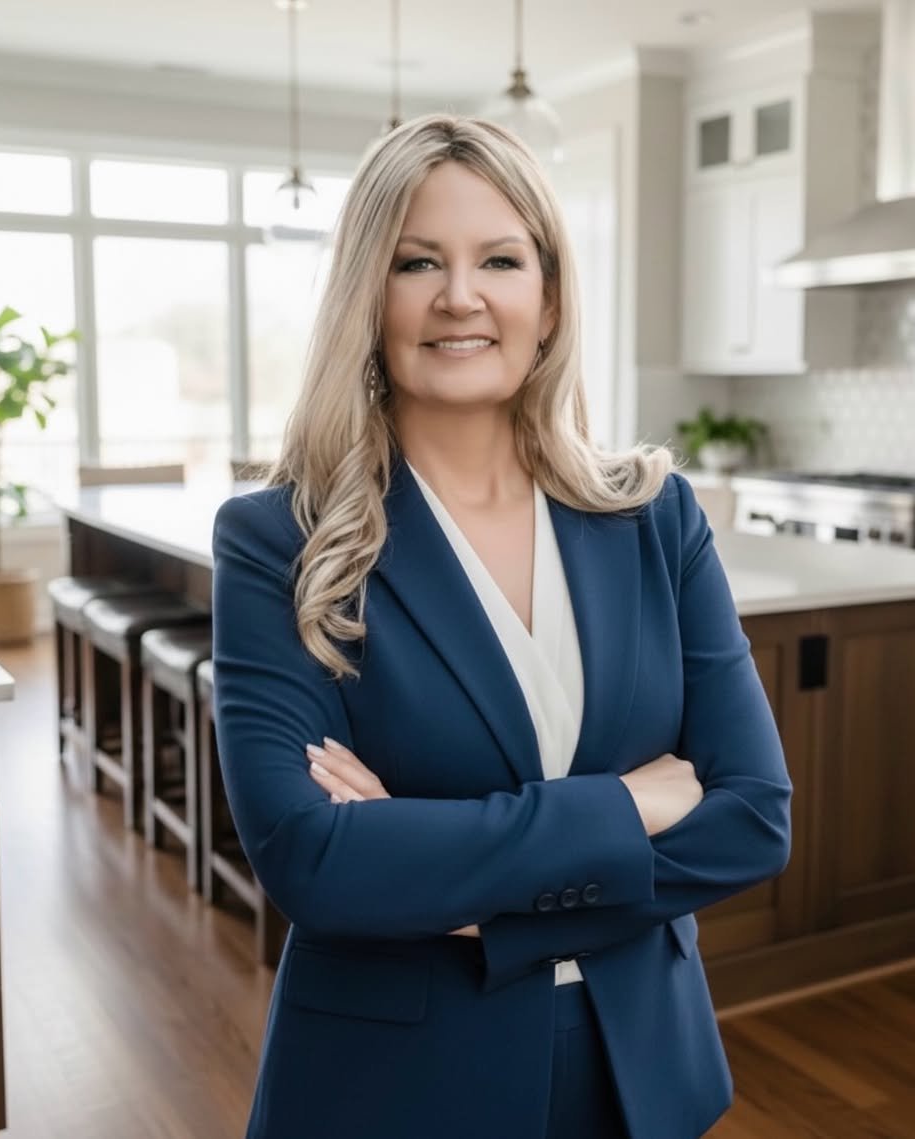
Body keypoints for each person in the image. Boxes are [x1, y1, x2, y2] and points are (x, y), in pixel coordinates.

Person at [211, 113, 791, 1139]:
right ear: (365, 294)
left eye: (501, 259)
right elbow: (315, 861)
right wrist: (628, 801)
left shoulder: (656, 515)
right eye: (417, 261)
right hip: (397, 1083)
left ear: (550, 295)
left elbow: (752, 818)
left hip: (642, 1069)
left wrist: (445, 872)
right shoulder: (275, 542)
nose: (460, 296)